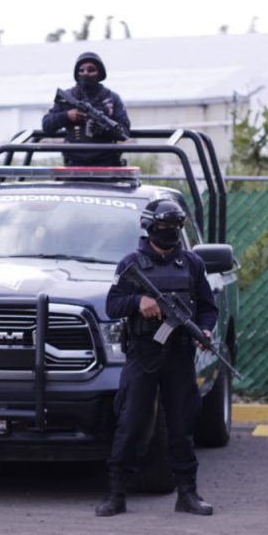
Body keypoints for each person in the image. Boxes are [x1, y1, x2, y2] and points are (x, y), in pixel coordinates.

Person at [97, 199, 217, 517]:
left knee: (182, 424)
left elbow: (208, 307)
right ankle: (116, 494)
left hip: (180, 354)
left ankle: (187, 493)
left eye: (176, 227)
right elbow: (112, 305)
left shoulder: (191, 264)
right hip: (143, 353)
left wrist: (205, 331)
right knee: (132, 422)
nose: (170, 233)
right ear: (150, 227)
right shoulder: (131, 264)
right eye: (164, 227)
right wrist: (139, 301)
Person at [42, 51, 131, 167]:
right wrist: (67, 116)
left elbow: (124, 132)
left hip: (105, 163)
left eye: (91, 70)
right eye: (81, 70)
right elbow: (46, 125)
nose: (86, 73)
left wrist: (104, 130)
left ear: (100, 73)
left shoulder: (112, 98)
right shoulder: (68, 97)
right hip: (73, 163)